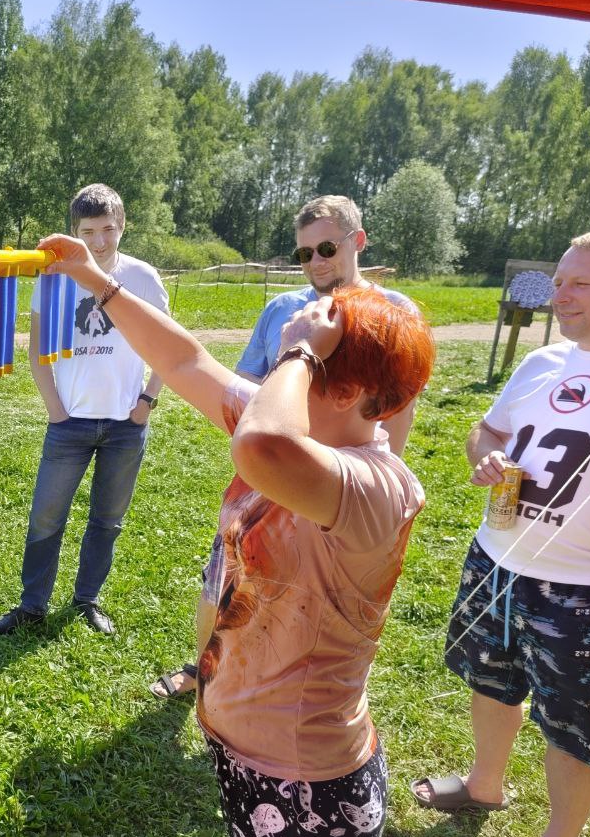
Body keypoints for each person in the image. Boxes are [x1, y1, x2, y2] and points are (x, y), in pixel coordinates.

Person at [38, 229, 435, 837]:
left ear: (350, 392)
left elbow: (259, 449)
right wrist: (96, 280)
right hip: (240, 744)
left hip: (312, 780)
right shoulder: (302, 428)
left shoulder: (377, 487)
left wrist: (298, 351)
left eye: (307, 365)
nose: (287, 372)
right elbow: (184, 361)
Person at [411, 228, 590, 837]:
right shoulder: (542, 362)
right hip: (497, 558)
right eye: (559, 281)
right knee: (491, 677)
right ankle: (485, 784)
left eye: (581, 283)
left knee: (574, 720)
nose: (561, 294)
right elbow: (490, 428)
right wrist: (485, 454)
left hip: (585, 585)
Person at [151, 193, 420, 699]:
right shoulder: (283, 310)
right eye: (304, 253)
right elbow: (246, 388)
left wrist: (378, 482)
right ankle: (205, 672)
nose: (316, 262)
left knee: (303, 610)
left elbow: (399, 407)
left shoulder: (392, 314)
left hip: (340, 489)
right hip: (269, 476)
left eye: (327, 248)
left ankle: (275, 697)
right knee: (224, 581)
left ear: (358, 241)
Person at [0, 184, 168, 636]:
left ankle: (87, 600)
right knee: (46, 517)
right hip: (69, 425)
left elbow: (168, 347)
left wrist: (147, 402)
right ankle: (32, 606)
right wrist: (56, 410)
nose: (100, 242)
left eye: (108, 229)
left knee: (107, 520)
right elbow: (36, 351)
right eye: (89, 232)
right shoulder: (55, 277)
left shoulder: (143, 278)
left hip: (126, 425)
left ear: (122, 226)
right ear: (75, 232)